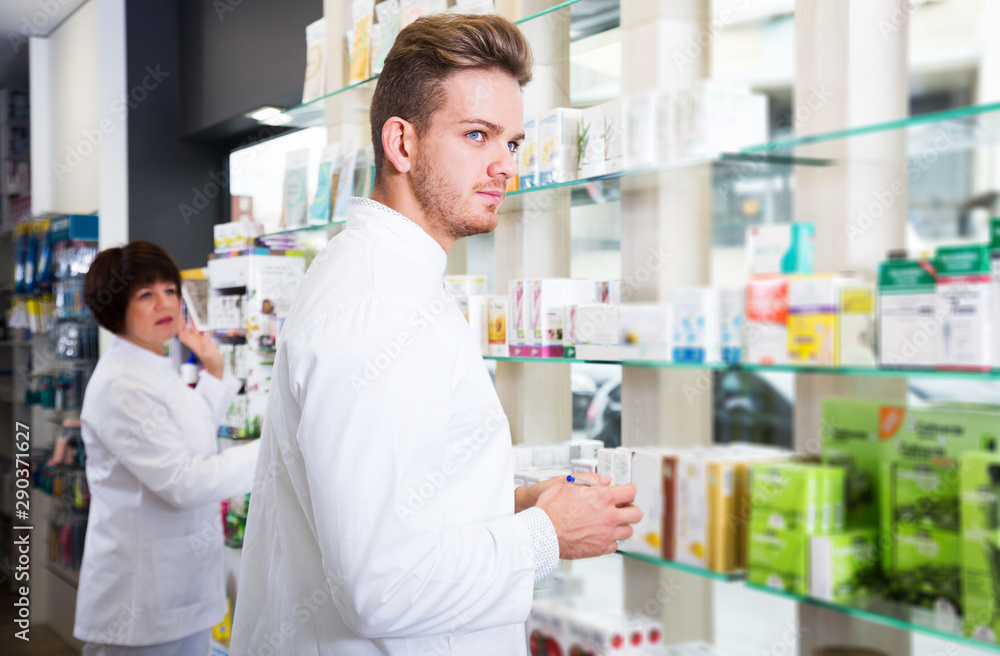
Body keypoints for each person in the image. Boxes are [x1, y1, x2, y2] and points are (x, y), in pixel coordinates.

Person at [230, 13, 640, 655]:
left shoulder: (393, 277)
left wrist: (514, 503)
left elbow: (402, 504)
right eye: (477, 135)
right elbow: (381, 585)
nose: (504, 165)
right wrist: (545, 534)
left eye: (511, 141)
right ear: (402, 144)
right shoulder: (378, 306)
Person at [74, 241, 260, 655]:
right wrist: (270, 450)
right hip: (143, 602)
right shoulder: (122, 384)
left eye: (170, 290)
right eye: (146, 294)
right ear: (114, 309)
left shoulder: (153, 365)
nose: (165, 303)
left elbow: (188, 438)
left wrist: (213, 371)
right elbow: (184, 482)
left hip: (179, 590)